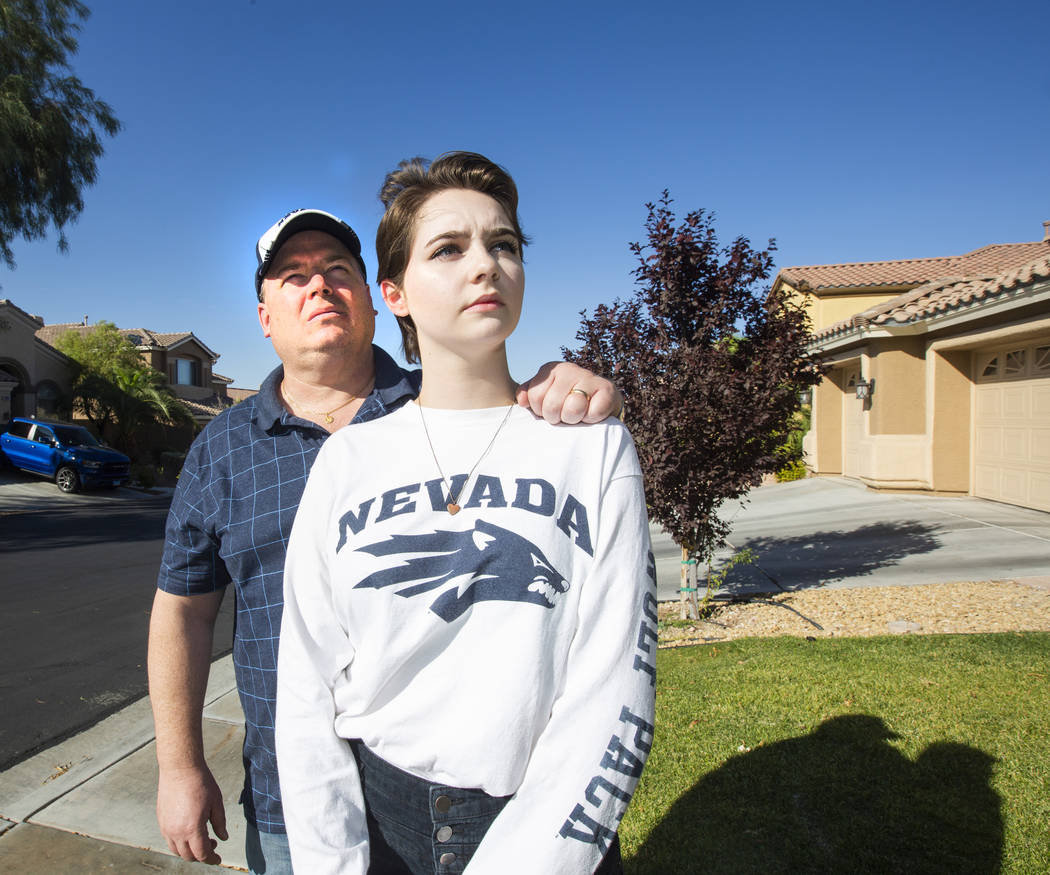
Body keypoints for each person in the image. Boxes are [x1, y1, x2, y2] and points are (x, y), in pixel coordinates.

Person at [148, 203, 624, 873]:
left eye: (337, 269)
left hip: (458, 799)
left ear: (375, 300)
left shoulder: (454, 409)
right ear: (265, 317)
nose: (319, 285)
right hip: (293, 801)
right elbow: (182, 611)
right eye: (293, 275)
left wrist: (570, 394)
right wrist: (178, 764)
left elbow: (549, 462)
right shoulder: (220, 451)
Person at [276, 152, 656, 874]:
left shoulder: (591, 445)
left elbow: (615, 682)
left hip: (550, 828)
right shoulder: (348, 462)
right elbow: (304, 687)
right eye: (448, 248)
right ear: (395, 293)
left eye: (503, 244)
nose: (486, 265)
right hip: (381, 825)